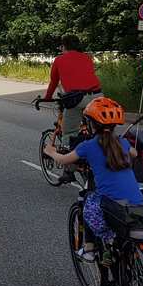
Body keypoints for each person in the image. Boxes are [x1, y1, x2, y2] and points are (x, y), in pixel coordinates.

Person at [44, 97, 142, 266]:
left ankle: (90, 249)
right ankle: (123, 250)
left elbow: (64, 160)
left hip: (113, 206)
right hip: (137, 203)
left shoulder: (88, 146)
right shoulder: (122, 143)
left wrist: (51, 151)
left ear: (90, 124)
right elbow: (135, 154)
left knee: (88, 200)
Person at [44, 34, 102, 182]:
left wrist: (48, 97)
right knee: (98, 130)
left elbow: (53, 82)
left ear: (64, 46)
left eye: (61, 46)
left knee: (69, 133)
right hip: (98, 96)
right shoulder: (87, 57)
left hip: (77, 99)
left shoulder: (59, 60)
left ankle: (68, 171)